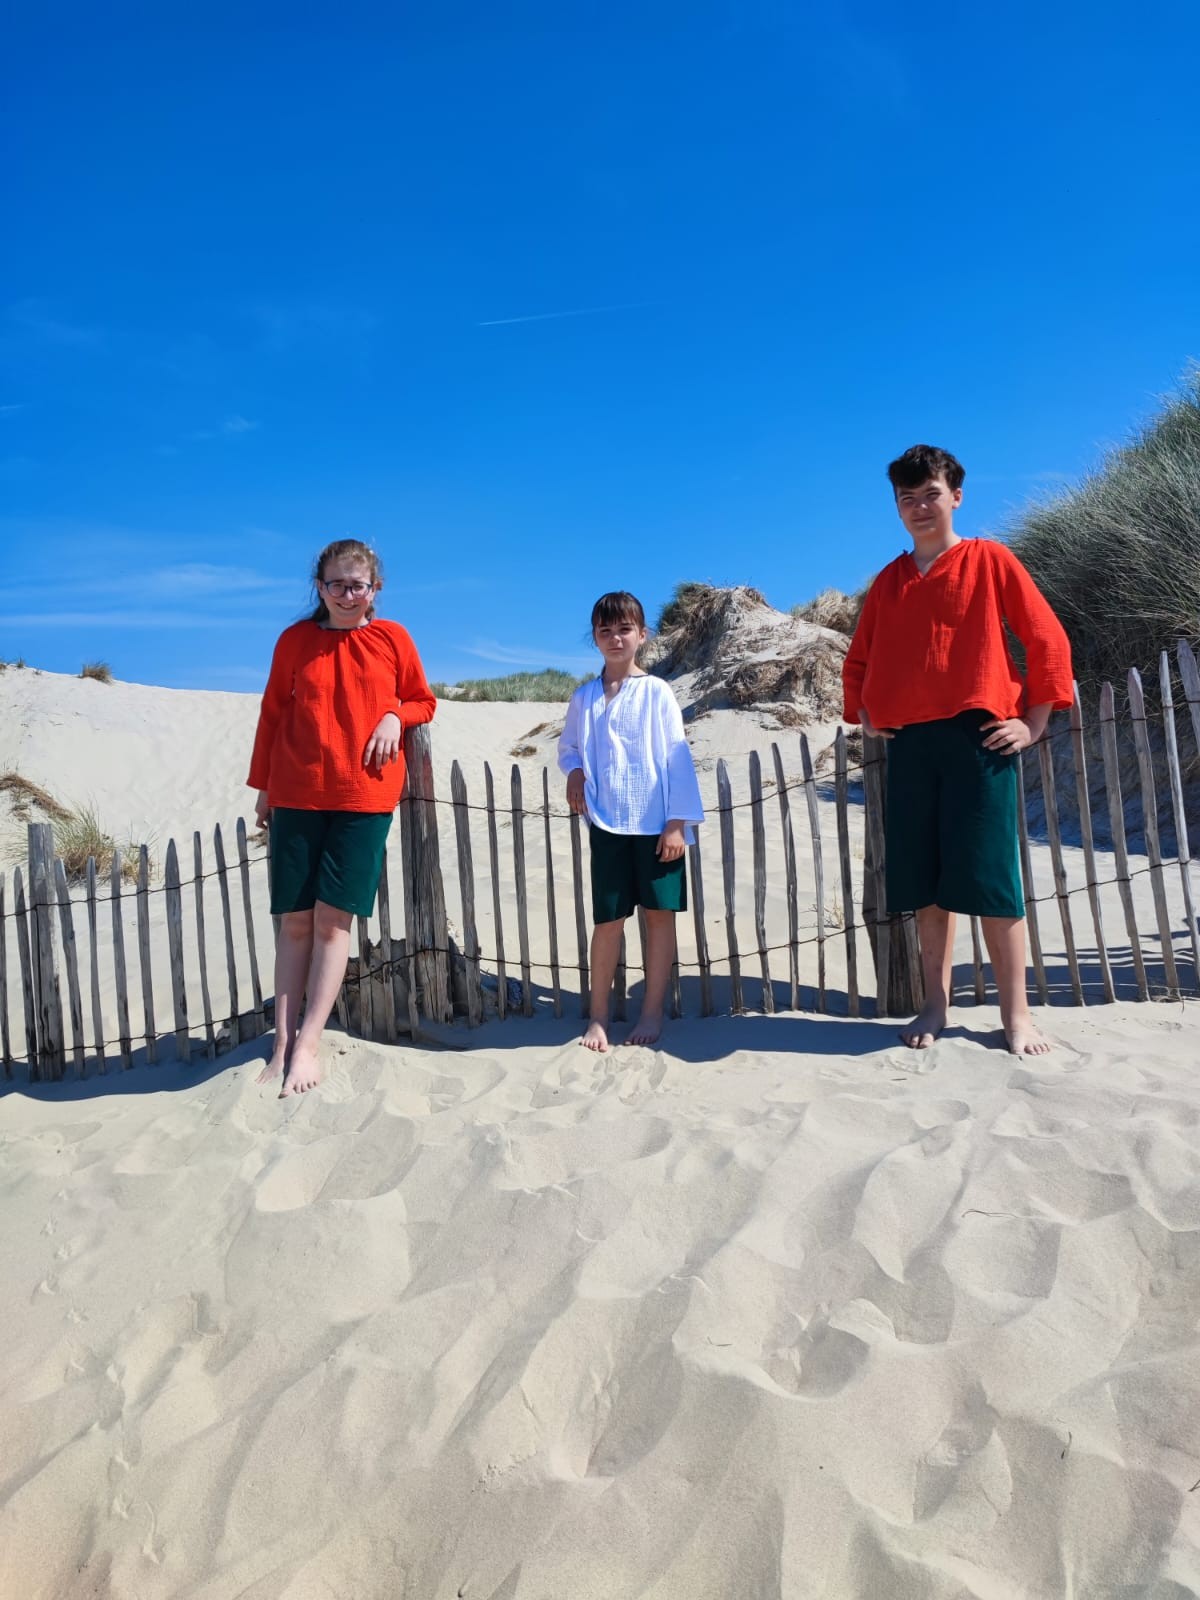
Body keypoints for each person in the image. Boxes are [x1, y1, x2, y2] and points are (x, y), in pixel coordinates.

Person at [842, 444, 1073, 1055]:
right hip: (911, 746)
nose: (920, 507)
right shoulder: (889, 581)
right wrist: (866, 713)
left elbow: (1046, 636)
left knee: (993, 879)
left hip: (979, 738)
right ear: (897, 507)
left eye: (931, 495)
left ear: (956, 497)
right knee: (924, 885)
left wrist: (1034, 722)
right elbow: (859, 659)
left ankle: (1016, 1016)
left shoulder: (989, 559)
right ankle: (934, 1005)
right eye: (908, 498)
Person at [248, 538, 436, 1095]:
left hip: (364, 797)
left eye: (358, 586)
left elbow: (423, 700)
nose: (347, 595)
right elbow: (272, 713)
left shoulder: (393, 638)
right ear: (320, 586)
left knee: (333, 923)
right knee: (295, 922)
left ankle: (309, 1043)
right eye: (337, 585)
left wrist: (394, 715)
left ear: (375, 589)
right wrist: (264, 788)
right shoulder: (294, 641)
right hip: (297, 792)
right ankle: (281, 1044)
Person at [559, 591, 704, 1051]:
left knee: (659, 918)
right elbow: (569, 748)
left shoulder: (657, 691)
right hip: (607, 823)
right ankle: (599, 1017)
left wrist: (677, 822)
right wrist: (575, 771)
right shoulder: (584, 697)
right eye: (605, 630)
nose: (615, 638)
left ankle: (651, 1012)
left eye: (624, 629)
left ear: (642, 635)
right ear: (595, 638)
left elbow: (677, 755)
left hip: (657, 824)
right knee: (609, 921)